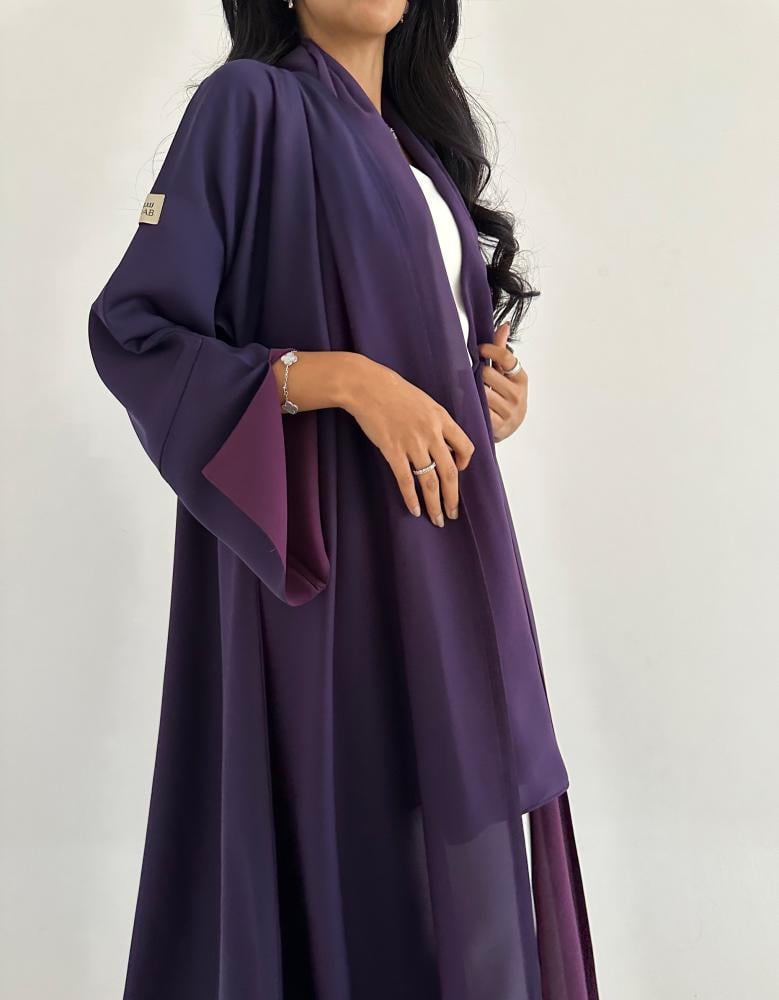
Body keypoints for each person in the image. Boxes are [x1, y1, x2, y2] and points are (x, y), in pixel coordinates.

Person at [87, 2, 599, 998]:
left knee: (455, 853)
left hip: (447, 557)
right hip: (328, 568)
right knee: (347, 838)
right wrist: (338, 379)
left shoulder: (419, 154)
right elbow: (135, 331)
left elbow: (417, 351)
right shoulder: (248, 106)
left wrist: (482, 396)